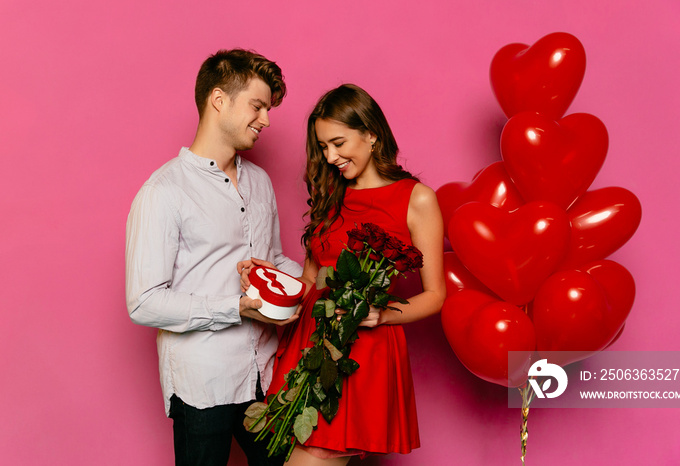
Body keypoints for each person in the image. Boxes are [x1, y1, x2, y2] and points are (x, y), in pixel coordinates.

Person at [245, 84, 446, 465]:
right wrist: (268, 281)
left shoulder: (416, 198)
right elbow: (310, 282)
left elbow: (436, 295)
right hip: (309, 344)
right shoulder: (331, 196)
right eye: (323, 147)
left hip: (361, 350)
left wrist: (382, 314)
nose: (331, 156)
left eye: (338, 142)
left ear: (371, 134)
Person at [125, 49, 302, 466]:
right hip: (203, 383)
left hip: (264, 375)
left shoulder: (260, 181)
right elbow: (143, 300)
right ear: (219, 100)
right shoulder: (163, 192)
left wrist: (309, 281)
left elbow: (273, 259)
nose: (267, 120)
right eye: (257, 106)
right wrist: (236, 308)